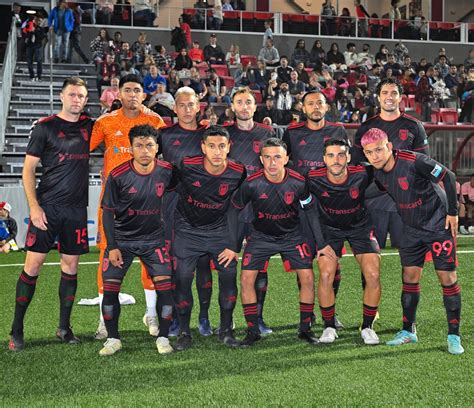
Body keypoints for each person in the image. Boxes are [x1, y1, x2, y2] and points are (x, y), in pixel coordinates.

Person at [361, 128, 464, 355]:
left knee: (447, 278)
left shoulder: (415, 161)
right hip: (410, 229)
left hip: (438, 225)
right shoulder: (378, 173)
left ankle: (454, 336)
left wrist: (453, 212)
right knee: (409, 277)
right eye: (369, 152)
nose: (375, 156)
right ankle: (408, 331)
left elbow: (448, 176)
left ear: (389, 146)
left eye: (379, 150)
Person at [8, 77, 93, 351]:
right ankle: (17, 330)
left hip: (76, 211)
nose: (77, 99)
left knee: (70, 267)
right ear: (61, 96)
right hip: (47, 209)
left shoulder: (90, 127)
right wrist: (34, 207)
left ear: (86, 100)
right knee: (32, 267)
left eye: (81, 96)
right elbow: (28, 170)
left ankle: (64, 328)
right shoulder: (44, 127)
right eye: (72, 94)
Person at [90, 74, 166, 340]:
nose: (132, 94)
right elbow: (81, 147)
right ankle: (104, 320)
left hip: (148, 202)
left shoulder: (155, 121)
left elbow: (167, 156)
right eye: (127, 90)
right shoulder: (105, 122)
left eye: (137, 90)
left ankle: (152, 314)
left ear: (143, 95)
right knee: (107, 257)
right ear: (118, 94)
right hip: (113, 203)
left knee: (150, 259)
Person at [226, 138, 320, 346]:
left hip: (292, 236)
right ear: (261, 159)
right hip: (261, 236)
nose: (272, 162)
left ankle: (305, 329)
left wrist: (320, 244)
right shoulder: (251, 183)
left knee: (307, 277)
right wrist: (233, 246)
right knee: (246, 279)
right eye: (267, 157)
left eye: (277, 157)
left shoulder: (299, 182)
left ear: (286, 159)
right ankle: (253, 331)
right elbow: (234, 209)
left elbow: (311, 210)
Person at [98, 125, 176, 356]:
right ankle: (113, 339)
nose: (144, 150)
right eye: (139, 146)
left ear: (157, 147)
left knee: (165, 290)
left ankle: (163, 337)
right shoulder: (118, 175)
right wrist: (112, 246)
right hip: (122, 240)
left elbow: (178, 194)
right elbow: (107, 213)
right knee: (110, 291)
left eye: (149, 145)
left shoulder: (168, 171)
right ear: (131, 148)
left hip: (154, 241)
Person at [173, 126, 246, 350]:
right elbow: (169, 189)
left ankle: (226, 331)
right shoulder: (187, 165)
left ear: (229, 147)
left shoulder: (238, 171)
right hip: (188, 229)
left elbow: (242, 208)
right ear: (203, 147)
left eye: (221, 146)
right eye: (211, 146)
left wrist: (234, 245)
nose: (217, 151)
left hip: (219, 231)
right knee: (182, 278)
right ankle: (184, 332)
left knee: (229, 276)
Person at [282, 91, 349, 328]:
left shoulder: (338, 130)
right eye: (310, 103)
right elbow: (283, 162)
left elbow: (347, 164)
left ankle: (331, 312)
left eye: (319, 103)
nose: (315, 107)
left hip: (331, 207)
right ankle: (308, 313)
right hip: (301, 207)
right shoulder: (292, 132)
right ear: (303, 108)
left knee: (332, 262)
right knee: (304, 263)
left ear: (327, 107)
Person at [306, 138, 381, 344]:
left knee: (373, 274)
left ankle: (367, 327)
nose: (336, 160)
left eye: (341, 155)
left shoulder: (364, 172)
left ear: (348, 157)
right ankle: (329, 326)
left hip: (360, 228)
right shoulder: (312, 178)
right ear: (324, 159)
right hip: (329, 230)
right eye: (331, 155)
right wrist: (320, 242)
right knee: (326, 275)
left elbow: (389, 169)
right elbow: (307, 209)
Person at [156, 87, 214, 336]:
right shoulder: (164, 135)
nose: (187, 109)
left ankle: (204, 317)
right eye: (182, 105)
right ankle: (176, 320)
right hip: (172, 206)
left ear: (198, 107)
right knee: (176, 266)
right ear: (175, 108)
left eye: (191, 104)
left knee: (203, 264)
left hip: (203, 207)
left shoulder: (208, 134)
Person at [352, 78, 430, 249]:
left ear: (400, 97)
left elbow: (424, 165)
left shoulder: (414, 126)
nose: (389, 97)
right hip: (373, 202)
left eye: (394, 93)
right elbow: (356, 165)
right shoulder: (366, 127)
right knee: (370, 254)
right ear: (378, 97)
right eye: (385, 93)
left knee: (408, 256)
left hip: (405, 203)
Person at [226, 88, 275, 334]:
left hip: (260, 209)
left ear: (255, 107)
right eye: (239, 102)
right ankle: (227, 319)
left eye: (248, 102)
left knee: (260, 266)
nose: (244, 106)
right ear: (232, 107)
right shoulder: (224, 133)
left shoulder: (267, 133)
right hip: (231, 209)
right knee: (227, 266)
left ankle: (259, 318)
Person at [23, 15, 47, 81]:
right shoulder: (29, 25)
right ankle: (32, 76)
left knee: (39, 60)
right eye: (38, 21)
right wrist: (29, 32)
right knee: (29, 61)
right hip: (30, 45)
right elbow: (25, 33)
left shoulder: (41, 29)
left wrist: (34, 31)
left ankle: (39, 76)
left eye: (40, 21)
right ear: (35, 20)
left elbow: (41, 37)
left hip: (38, 45)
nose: (39, 22)